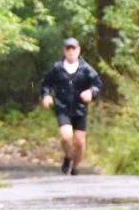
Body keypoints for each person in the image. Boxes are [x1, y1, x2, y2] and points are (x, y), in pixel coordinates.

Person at [40, 37, 103, 176]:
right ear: (64, 51)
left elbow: (97, 84)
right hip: (62, 108)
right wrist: (46, 95)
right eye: (68, 48)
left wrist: (91, 92)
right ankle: (68, 157)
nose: (71, 51)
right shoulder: (57, 68)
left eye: (73, 48)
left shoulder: (86, 69)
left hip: (80, 109)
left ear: (78, 50)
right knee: (66, 136)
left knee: (79, 142)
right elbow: (46, 84)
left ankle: (75, 167)